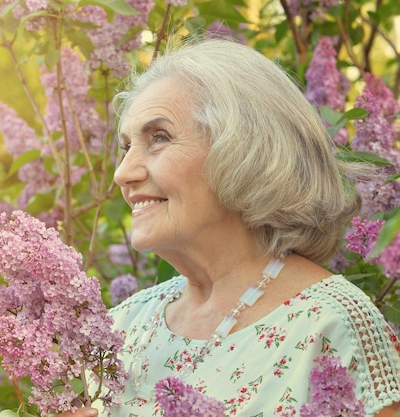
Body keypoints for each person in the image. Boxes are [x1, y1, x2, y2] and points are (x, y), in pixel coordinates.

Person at [61, 38, 400, 416]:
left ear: (245, 150)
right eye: (126, 147)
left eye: (159, 138)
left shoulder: (333, 327)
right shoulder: (122, 327)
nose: (123, 173)